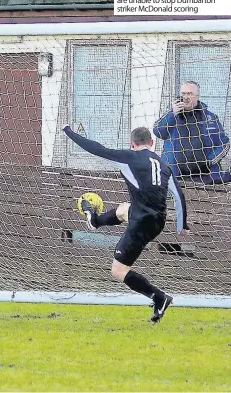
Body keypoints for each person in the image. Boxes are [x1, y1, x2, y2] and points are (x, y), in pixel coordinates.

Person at [63, 125, 188, 323]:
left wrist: (69, 132)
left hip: (142, 223)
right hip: (157, 220)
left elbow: (96, 149)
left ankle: (159, 298)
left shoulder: (128, 158)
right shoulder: (164, 165)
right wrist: (182, 225)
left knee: (118, 271)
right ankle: (95, 221)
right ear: (152, 143)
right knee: (123, 210)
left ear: (132, 144)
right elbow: (178, 196)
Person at [153, 80, 230, 184]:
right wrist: (172, 114)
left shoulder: (210, 118)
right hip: (175, 176)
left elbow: (224, 143)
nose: (185, 97)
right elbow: (158, 132)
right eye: (183, 93)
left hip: (204, 177)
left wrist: (210, 161)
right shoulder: (171, 114)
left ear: (197, 96)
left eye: (189, 94)